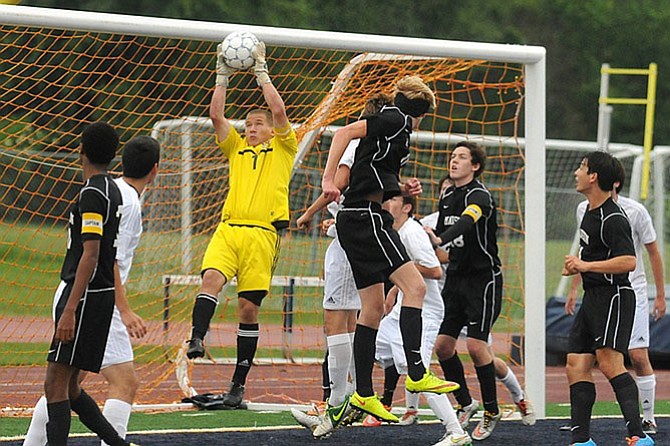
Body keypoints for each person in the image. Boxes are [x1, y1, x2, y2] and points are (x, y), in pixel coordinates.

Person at [320, 75, 458, 435]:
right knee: (416, 289)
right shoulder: (395, 117)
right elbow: (341, 134)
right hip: (365, 217)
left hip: (360, 217)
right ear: (418, 111)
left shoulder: (399, 132)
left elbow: (374, 169)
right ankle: (417, 373)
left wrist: (400, 186)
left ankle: (364, 393)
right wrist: (327, 179)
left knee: (373, 308)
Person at [23, 136, 161, 446]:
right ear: (155, 170)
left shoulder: (109, 190)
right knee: (114, 381)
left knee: (67, 384)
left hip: (92, 295)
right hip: (95, 297)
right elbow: (104, 257)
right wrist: (123, 309)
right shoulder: (118, 197)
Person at [185, 39, 298, 408]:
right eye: (248, 124)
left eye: (257, 124)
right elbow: (217, 116)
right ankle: (197, 338)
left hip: (263, 235)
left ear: (269, 130)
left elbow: (279, 111)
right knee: (210, 280)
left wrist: (261, 73)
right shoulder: (236, 148)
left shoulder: (283, 148)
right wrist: (222, 75)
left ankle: (237, 386)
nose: (250, 128)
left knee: (248, 310)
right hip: (229, 228)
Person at [290, 93, 394, 437]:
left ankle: (335, 404)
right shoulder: (385, 149)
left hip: (348, 238)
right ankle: (343, 397)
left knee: (336, 320)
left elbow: (339, 184)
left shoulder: (358, 144)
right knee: (348, 321)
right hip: (356, 234)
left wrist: (307, 213)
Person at [43, 122, 138, 446]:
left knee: (54, 386)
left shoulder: (93, 193)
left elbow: (91, 252)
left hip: (83, 297)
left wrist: (70, 309)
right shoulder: (113, 189)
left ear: (80, 151)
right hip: (99, 295)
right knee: (70, 389)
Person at [415, 175, 535, 428]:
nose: (451, 194)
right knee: (441, 347)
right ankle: (465, 404)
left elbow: (442, 251)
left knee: (482, 352)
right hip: (451, 289)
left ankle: (517, 397)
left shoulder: (475, 207)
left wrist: (439, 245)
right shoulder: (428, 223)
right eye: (445, 191)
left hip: (479, 287)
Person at [566, 158, 665, 436]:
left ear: (594, 176)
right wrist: (577, 270)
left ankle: (639, 434)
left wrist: (586, 266)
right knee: (576, 363)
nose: (577, 173)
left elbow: (628, 262)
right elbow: (588, 254)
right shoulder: (586, 211)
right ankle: (581, 439)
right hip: (593, 296)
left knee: (612, 362)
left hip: (615, 297)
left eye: (582, 168)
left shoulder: (616, 217)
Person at [372, 194, 471, 446]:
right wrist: (394, 291)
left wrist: (402, 276)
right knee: (363, 343)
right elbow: (403, 270)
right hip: (402, 309)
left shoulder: (413, 233)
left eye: (392, 200)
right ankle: (342, 403)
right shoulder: (394, 231)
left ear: (406, 208)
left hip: (424, 313)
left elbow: (435, 270)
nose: (386, 204)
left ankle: (456, 431)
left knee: (418, 372)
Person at [424, 141, 503, 441]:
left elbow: (467, 223)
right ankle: (466, 403)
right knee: (443, 347)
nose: (454, 161)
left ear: (475, 166)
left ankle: (492, 410)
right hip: (455, 278)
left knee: (476, 346)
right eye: (452, 156)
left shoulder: (478, 195)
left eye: (461, 157)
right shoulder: (447, 196)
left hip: (483, 280)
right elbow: (447, 246)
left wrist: (438, 239)